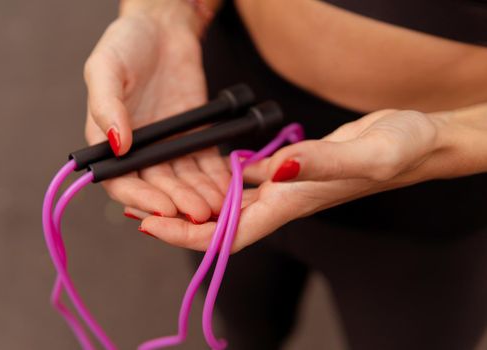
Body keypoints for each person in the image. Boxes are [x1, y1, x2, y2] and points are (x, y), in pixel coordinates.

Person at [83, 0, 487, 349]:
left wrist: (442, 141)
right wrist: (161, 14)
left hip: (434, 198)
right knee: (241, 324)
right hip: (219, 122)